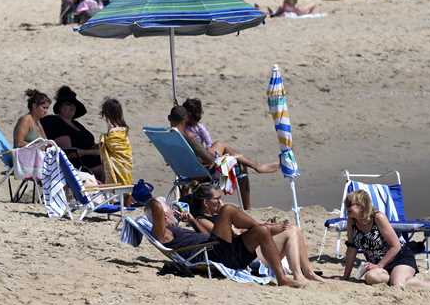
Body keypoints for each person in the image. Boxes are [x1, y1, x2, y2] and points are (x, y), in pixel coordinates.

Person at [129, 183, 302, 288]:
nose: (172, 210)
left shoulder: (179, 230)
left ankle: (281, 278)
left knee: (261, 232)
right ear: (163, 216)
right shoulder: (165, 234)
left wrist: (192, 221)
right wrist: (151, 200)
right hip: (218, 255)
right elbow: (156, 208)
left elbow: (207, 236)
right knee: (228, 210)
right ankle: (264, 226)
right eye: (168, 209)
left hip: (227, 252)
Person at [188, 183, 323, 286]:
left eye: (220, 198)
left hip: (238, 249)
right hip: (227, 253)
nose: (220, 202)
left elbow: (237, 233)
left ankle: (307, 273)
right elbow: (222, 237)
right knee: (229, 209)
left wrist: (260, 227)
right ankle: (296, 274)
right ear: (205, 202)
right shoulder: (202, 220)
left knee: (293, 229)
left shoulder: (218, 216)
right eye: (217, 199)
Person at [340, 189, 430, 290]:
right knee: (371, 277)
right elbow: (352, 248)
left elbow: (396, 246)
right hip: (380, 265)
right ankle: (400, 278)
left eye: (350, 204)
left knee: (397, 285)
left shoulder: (377, 217)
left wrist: (379, 266)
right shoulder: (352, 221)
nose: (347, 207)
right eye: (347, 204)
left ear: (362, 205)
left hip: (399, 258)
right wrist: (346, 276)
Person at [177, 101, 278, 209]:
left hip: (187, 168)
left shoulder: (175, 133)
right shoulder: (189, 133)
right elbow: (208, 145)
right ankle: (256, 168)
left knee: (223, 148)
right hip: (203, 166)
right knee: (228, 152)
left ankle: (255, 165)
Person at [41, 86, 104, 181]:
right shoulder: (55, 122)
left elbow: (89, 143)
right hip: (77, 166)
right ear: (60, 107)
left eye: (74, 105)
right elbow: (68, 153)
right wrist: (92, 152)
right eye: (68, 104)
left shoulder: (77, 124)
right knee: (108, 168)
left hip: (92, 160)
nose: (72, 107)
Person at [98, 98, 133, 203]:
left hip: (117, 162)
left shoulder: (113, 131)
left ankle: (120, 202)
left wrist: (104, 138)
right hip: (126, 162)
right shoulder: (124, 129)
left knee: (119, 184)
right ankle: (126, 201)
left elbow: (112, 146)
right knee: (125, 183)